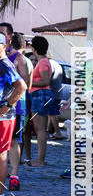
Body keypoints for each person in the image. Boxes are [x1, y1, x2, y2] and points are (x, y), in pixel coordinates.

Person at [0, 28, 31, 191]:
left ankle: (12, 177)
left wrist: (7, 104)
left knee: (8, 146)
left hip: (11, 110)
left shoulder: (13, 60)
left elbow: (24, 85)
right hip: (8, 108)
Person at [29, 36, 54, 167]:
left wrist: (29, 82)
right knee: (40, 129)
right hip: (40, 95)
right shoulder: (43, 61)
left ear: (35, 48)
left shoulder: (43, 62)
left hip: (41, 95)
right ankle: (39, 159)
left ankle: (40, 160)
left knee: (40, 130)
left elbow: (45, 81)